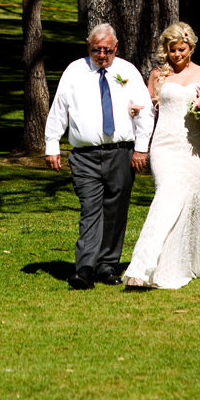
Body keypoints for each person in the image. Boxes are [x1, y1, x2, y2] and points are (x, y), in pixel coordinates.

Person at [45, 23, 154, 290]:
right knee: (90, 209)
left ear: (116, 47)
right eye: (97, 50)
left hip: (121, 152)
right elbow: (60, 108)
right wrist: (52, 144)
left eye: (107, 50)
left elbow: (145, 110)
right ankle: (84, 268)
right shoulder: (74, 71)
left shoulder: (127, 71)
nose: (102, 55)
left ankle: (107, 265)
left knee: (116, 210)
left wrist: (141, 147)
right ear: (88, 46)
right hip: (85, 155)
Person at [123, 21, 200, 290]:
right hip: (164, 146)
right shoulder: (158, 75)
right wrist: (134, 109)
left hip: (196, 149)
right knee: (166, 199)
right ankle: (142, 268)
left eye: (181, 49)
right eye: (172, 51)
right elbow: (146, 109)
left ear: (190, 47)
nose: (176, 55)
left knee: (189, 201)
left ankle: (184, 262)